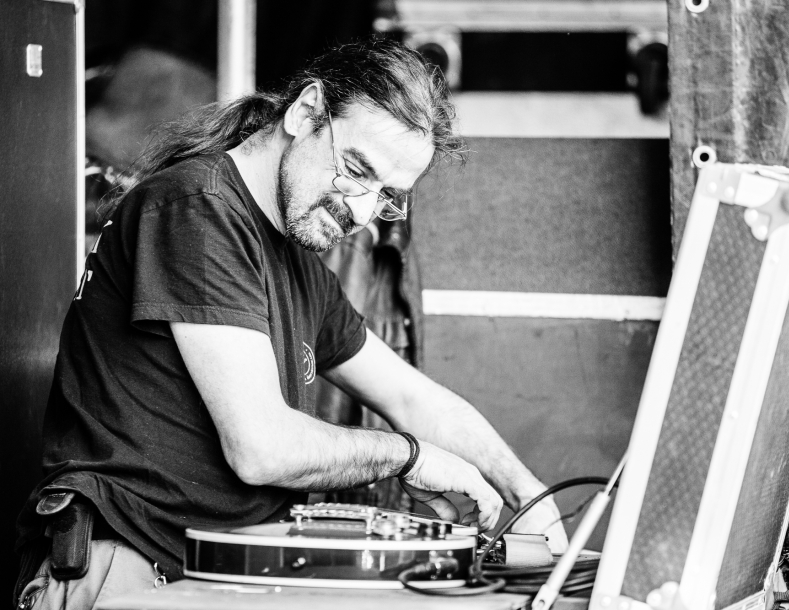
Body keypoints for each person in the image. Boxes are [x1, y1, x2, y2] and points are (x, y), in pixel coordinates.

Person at [14, 39, 567, 609]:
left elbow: (411, 397)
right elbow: (261, 448)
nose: (361, 211)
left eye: (387, 196)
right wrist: (411, 457)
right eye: (357, 170)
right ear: (306, 113)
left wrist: (525, 491)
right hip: (129, 564)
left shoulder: (299, 263)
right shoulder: (198, 210)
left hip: (218, 571)